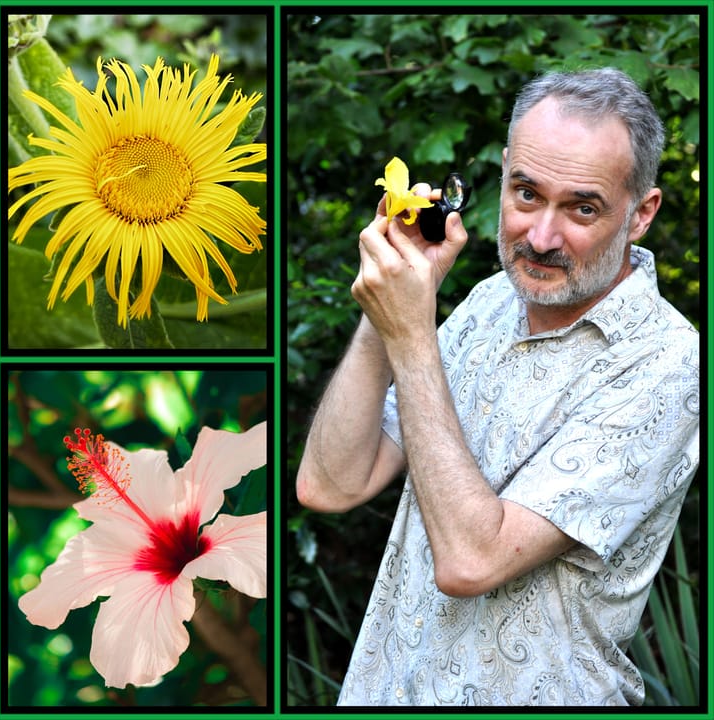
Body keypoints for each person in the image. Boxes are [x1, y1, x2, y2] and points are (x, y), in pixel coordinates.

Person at [295, 68, 699, 706]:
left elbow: (471, 562)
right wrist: (391, 300)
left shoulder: (667, 365)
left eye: (582, 207)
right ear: (505, 173)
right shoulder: (487, 302)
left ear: (641, 213)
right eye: (527, 193)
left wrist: (411, 334)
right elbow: (329, 484)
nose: (540, 237)